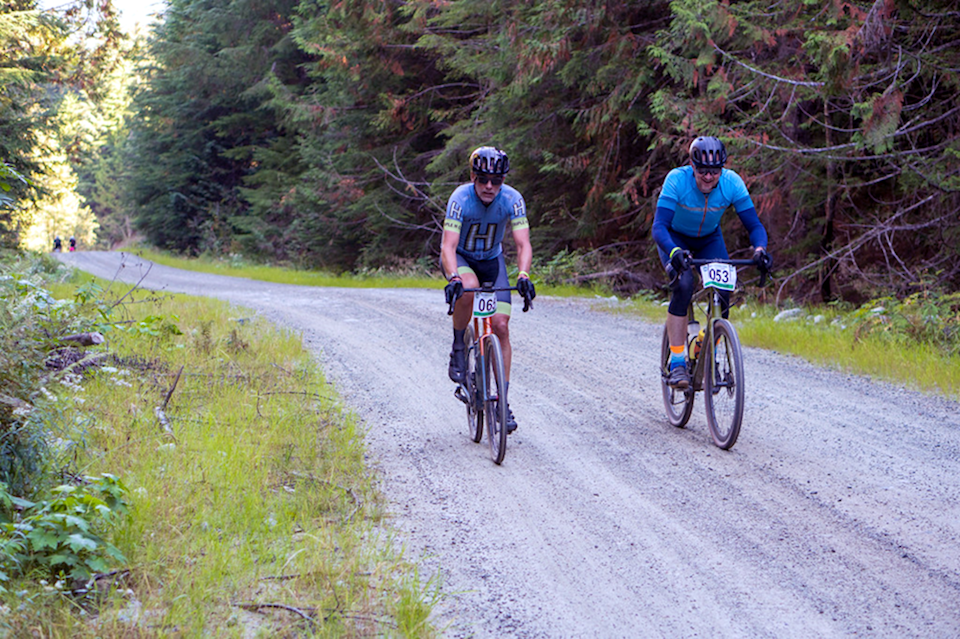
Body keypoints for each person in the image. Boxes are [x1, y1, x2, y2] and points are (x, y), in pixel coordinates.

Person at [652, 136, 772, 389]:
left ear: (722, 169)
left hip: (709, 239)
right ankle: (677, 363)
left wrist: (760, 249)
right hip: (674, 238)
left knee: (724, 291)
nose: (709, 177)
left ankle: (709, 351)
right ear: (692, 166)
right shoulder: (677, 180)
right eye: (703, 171)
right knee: (684, 285)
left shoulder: (732, 183)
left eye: (715, 171)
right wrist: (674, 251)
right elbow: (659, 226)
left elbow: (754, 225)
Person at [441, 146, 535, 433]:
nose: (490, 186)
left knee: (501, 326)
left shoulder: (512, 199)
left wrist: (523, 274)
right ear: (473, 177)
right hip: (463, 259)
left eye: (496, 180)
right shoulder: (460, 199)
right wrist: (454, 277)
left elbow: (523, 244)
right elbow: (448, 245)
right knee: (467, 287)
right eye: (483, 179)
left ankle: (501, 401)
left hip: (492, 261)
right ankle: (459, 345)